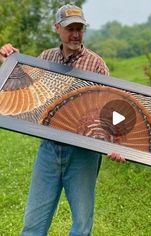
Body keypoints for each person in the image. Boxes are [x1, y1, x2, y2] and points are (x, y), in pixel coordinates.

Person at [0, 4, 125, 236]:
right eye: (70, 28)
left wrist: (115, 142)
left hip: (83, 153)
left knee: (81, 226)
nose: (76, 34)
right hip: (49, 149)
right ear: (57, 28)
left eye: (80, 28)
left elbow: (112, 107)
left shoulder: (96, 64)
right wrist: (8, 62)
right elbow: (27, 92)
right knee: (33, 224)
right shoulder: (45, 57)